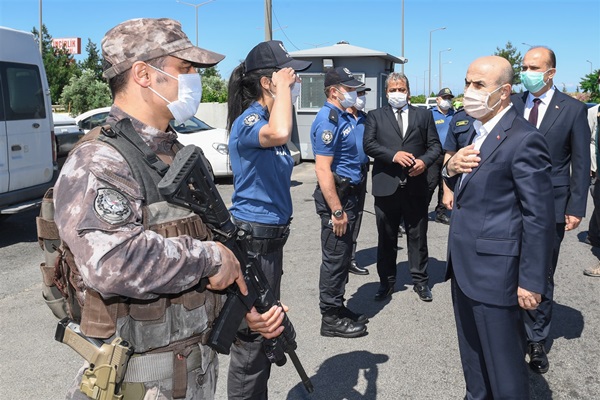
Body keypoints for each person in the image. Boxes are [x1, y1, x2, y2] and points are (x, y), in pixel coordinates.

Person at [53, 18, 285, 400]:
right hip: (137, 384)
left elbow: (206, 247)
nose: (194, 79)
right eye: (185, 68)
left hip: (190, 375)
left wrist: (245, 308)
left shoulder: (174, 153)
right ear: (144, 74)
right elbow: (111, 262)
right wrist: (211, 259)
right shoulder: (101, 159)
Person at [443, 55, 555, 399]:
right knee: (473, 361)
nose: (468, 92)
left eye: (479, 85)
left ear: (505, 92)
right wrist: (450, 169)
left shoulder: (524, 139)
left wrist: (532, 281)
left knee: (505, 373)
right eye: (467, 83)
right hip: (465, 268)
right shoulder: (475, 132)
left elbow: (538, 218)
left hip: (497, 275)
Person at [225, 40, 311, 399]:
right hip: (254, 242)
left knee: (266, 335)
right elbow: (279, 133)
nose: (296, 83)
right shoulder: (250, 121)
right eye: (290, 76)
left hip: (270, 243)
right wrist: (284, 92)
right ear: (267, 83)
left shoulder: (266, 119)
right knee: (253, 338)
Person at [512, 46, 591, 374]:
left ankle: (536, 339)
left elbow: (581, 162)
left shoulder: (572, 109)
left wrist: (575, 206)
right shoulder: (513, 103)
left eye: (534, 67)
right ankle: (508, 331)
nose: (527, 72)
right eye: (524, 66)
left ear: (551, 73)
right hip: (509, 202)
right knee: (507, 266)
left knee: (540, 272)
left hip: (551, 206)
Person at [363, 72, 441, 302]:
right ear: (386, 92)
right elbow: (369, 144)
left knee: (418, 236)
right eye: (393, 89)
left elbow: (435, 146)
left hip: (416, 186)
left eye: (402, 89)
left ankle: (420, 281)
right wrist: (393, 155)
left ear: (408, 91)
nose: (398, 93)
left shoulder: (423, 115)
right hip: (387, 186)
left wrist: (424, 162)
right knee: (386, 238)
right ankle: (386, 283)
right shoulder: (375, 116)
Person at [311, 66, 369, 338]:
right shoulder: (328, 120)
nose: (355, 93)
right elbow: (323, 169)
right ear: (334, 92)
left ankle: (338, 305)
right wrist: (336, 210)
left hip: (351, 193)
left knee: (344, 256)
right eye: (350, 89)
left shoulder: (343, 117)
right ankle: (330, 317)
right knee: (335, 258)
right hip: (338, 197)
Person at [345, 85, 372, 276]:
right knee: (344, 217)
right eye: (359, 93)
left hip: (362, 171)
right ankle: (340, 257)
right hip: (344, 175)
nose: (362, 97)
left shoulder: (365, 118)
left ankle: (350, 258)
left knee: (357, 215)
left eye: (363, 94)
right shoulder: (339, 117)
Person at [427, 88, 455, 225]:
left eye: (449, 98)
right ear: (437, 99)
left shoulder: (454, 115)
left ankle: (441, 213)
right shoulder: (430, 114)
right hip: (434, 155)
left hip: (449, 154)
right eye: (444, 98)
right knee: (429, 184)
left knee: (445, 186)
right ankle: (420, 211)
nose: (447, 101)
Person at [441, 108, 475, 210]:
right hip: (463, 189)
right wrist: (447, 191)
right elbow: (450, 154)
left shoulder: (508, 112)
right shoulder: (459, 117)